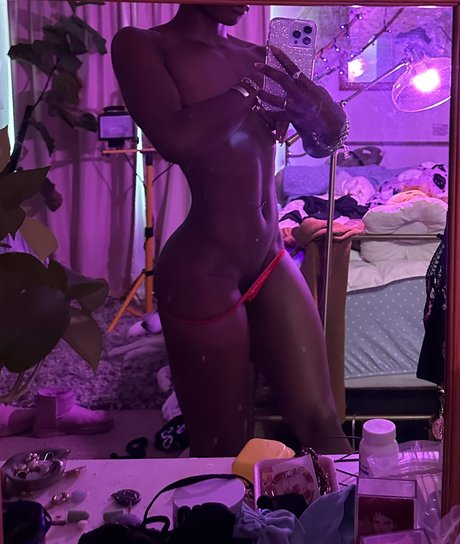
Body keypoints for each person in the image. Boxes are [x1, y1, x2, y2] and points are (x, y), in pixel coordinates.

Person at [111, 4, 351, 457]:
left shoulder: (260, 57)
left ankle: (347, 503)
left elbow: (326, 143)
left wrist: (316, 105)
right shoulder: (143, 45)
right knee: (223, 447)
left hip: (270, 257)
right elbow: (176, 139)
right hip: (204, 269)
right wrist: (249, 89)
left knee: (323, 421)